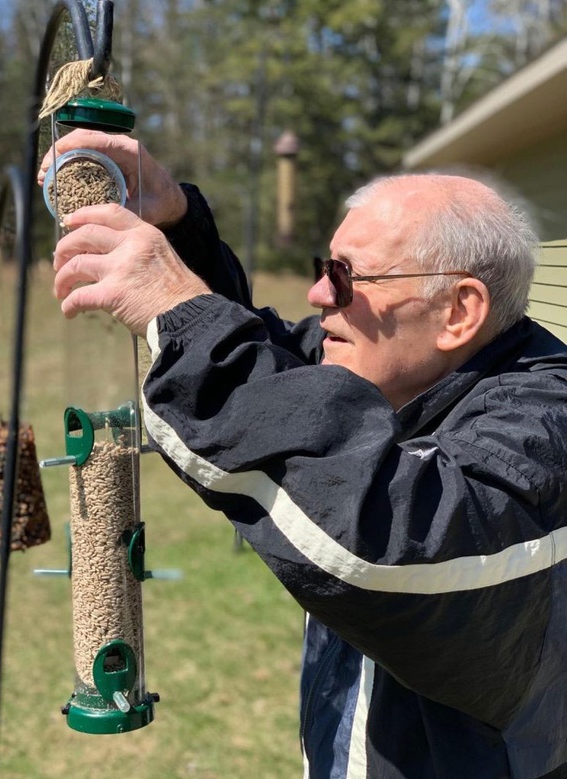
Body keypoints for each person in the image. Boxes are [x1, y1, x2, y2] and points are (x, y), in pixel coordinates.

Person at [39, 130, 567, 779]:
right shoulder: (402, 368)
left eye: (347, 276)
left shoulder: (546, 422)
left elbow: (393, 539)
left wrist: (179, 310)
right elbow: (280, 374)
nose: (319, 294)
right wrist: (177, 223)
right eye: (325, 266)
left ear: (457, 311)